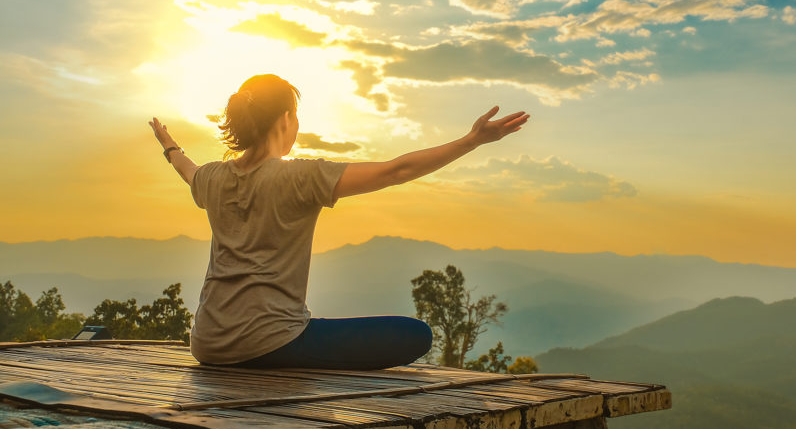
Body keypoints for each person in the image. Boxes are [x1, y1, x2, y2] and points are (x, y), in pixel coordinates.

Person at [148, 73, 529, 369]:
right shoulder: (299, 176)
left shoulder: (213, 177)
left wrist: (169, 145)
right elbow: (395, 171)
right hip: (271, 342)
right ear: (286, 119)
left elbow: (187, 169)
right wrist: (471, 141)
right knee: (416, 335)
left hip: (208, 342)